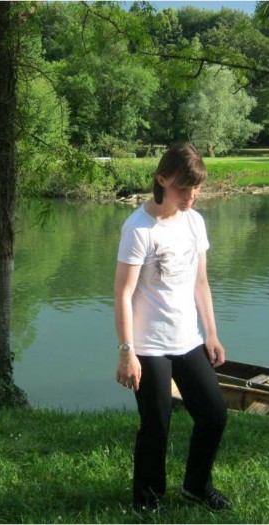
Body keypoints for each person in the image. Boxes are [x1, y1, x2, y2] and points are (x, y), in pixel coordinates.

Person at [114, 142, 230, 512]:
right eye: (184, 188)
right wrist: (127, 352)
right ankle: (147, 499)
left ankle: (196, 486)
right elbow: (123, 294)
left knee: (214, 414)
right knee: (156, 425)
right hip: (148, 346)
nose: (192, 195)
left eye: (197, 188)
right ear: (162, 179)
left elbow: (201, 283)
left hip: (188, 340)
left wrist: (211, 333)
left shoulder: (195, 222)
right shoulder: (138, 229)